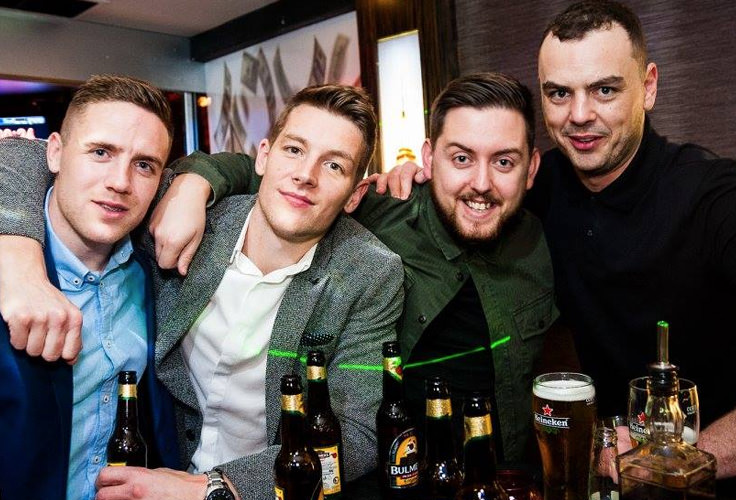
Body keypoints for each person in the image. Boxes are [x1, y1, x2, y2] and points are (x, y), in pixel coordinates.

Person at [367, 1, 736, 496]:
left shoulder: (723, 202)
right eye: (558, 93)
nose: (579, 115)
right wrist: (403, 184)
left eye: (605, 89)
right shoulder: (538, 188)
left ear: (649, 86)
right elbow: (472, 188)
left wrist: (684, 460)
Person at [0, 84, 404, 500]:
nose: (306, 175)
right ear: (263, 156)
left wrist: (214, 488)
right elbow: (18, 155)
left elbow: (358, 431)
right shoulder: (184, 221)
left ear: (356, 194)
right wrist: (18, 259)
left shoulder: (368, 272)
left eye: (334, 166)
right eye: (294, 150)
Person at [146, 72, 559, 464]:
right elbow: (278, 184)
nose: (481, 183)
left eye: (504, 162)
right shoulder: (383, 209)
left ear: (532, 169)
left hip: (504, 475)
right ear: (429, 158)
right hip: (396, 474)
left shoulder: (550, 234)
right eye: (461, 157)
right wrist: (194, 182)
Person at [0, 74, 180, 500]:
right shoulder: (9, 266)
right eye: (101, 152)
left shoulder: (155, 268)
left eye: (144, 165)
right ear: (56, 152)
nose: (121, 182)